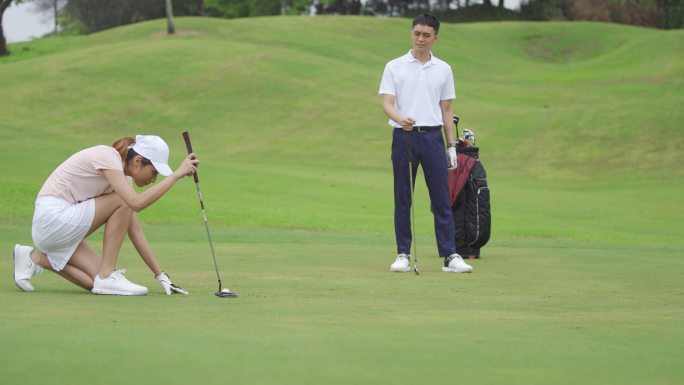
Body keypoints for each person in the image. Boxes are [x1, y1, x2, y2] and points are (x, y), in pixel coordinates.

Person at [12, 135, 199, 295]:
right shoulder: (108, 157)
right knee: (124, 202)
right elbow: (136, 203)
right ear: (137, 161)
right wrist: (175, 176)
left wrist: (161, 275)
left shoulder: (123, 180)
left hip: (60, 228)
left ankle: (35, 259)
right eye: (153, 172)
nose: (153, 179)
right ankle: (107, 275)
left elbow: (135, 231)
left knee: (95, 283)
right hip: (52, 218)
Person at [378, 13, 473, 273]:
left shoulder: (443, 69)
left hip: (432, 138)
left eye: (426, 35)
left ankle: (450, 256)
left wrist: (451, 145)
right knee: (403, 198)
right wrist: (400, 118)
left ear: (435, 38)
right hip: (404, 136)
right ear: (411, 34)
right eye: (417, 33)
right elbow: (387, 103)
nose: (421, 39)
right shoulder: (394, 66)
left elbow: (446, 109)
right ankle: (403, 254)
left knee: (441, 199)